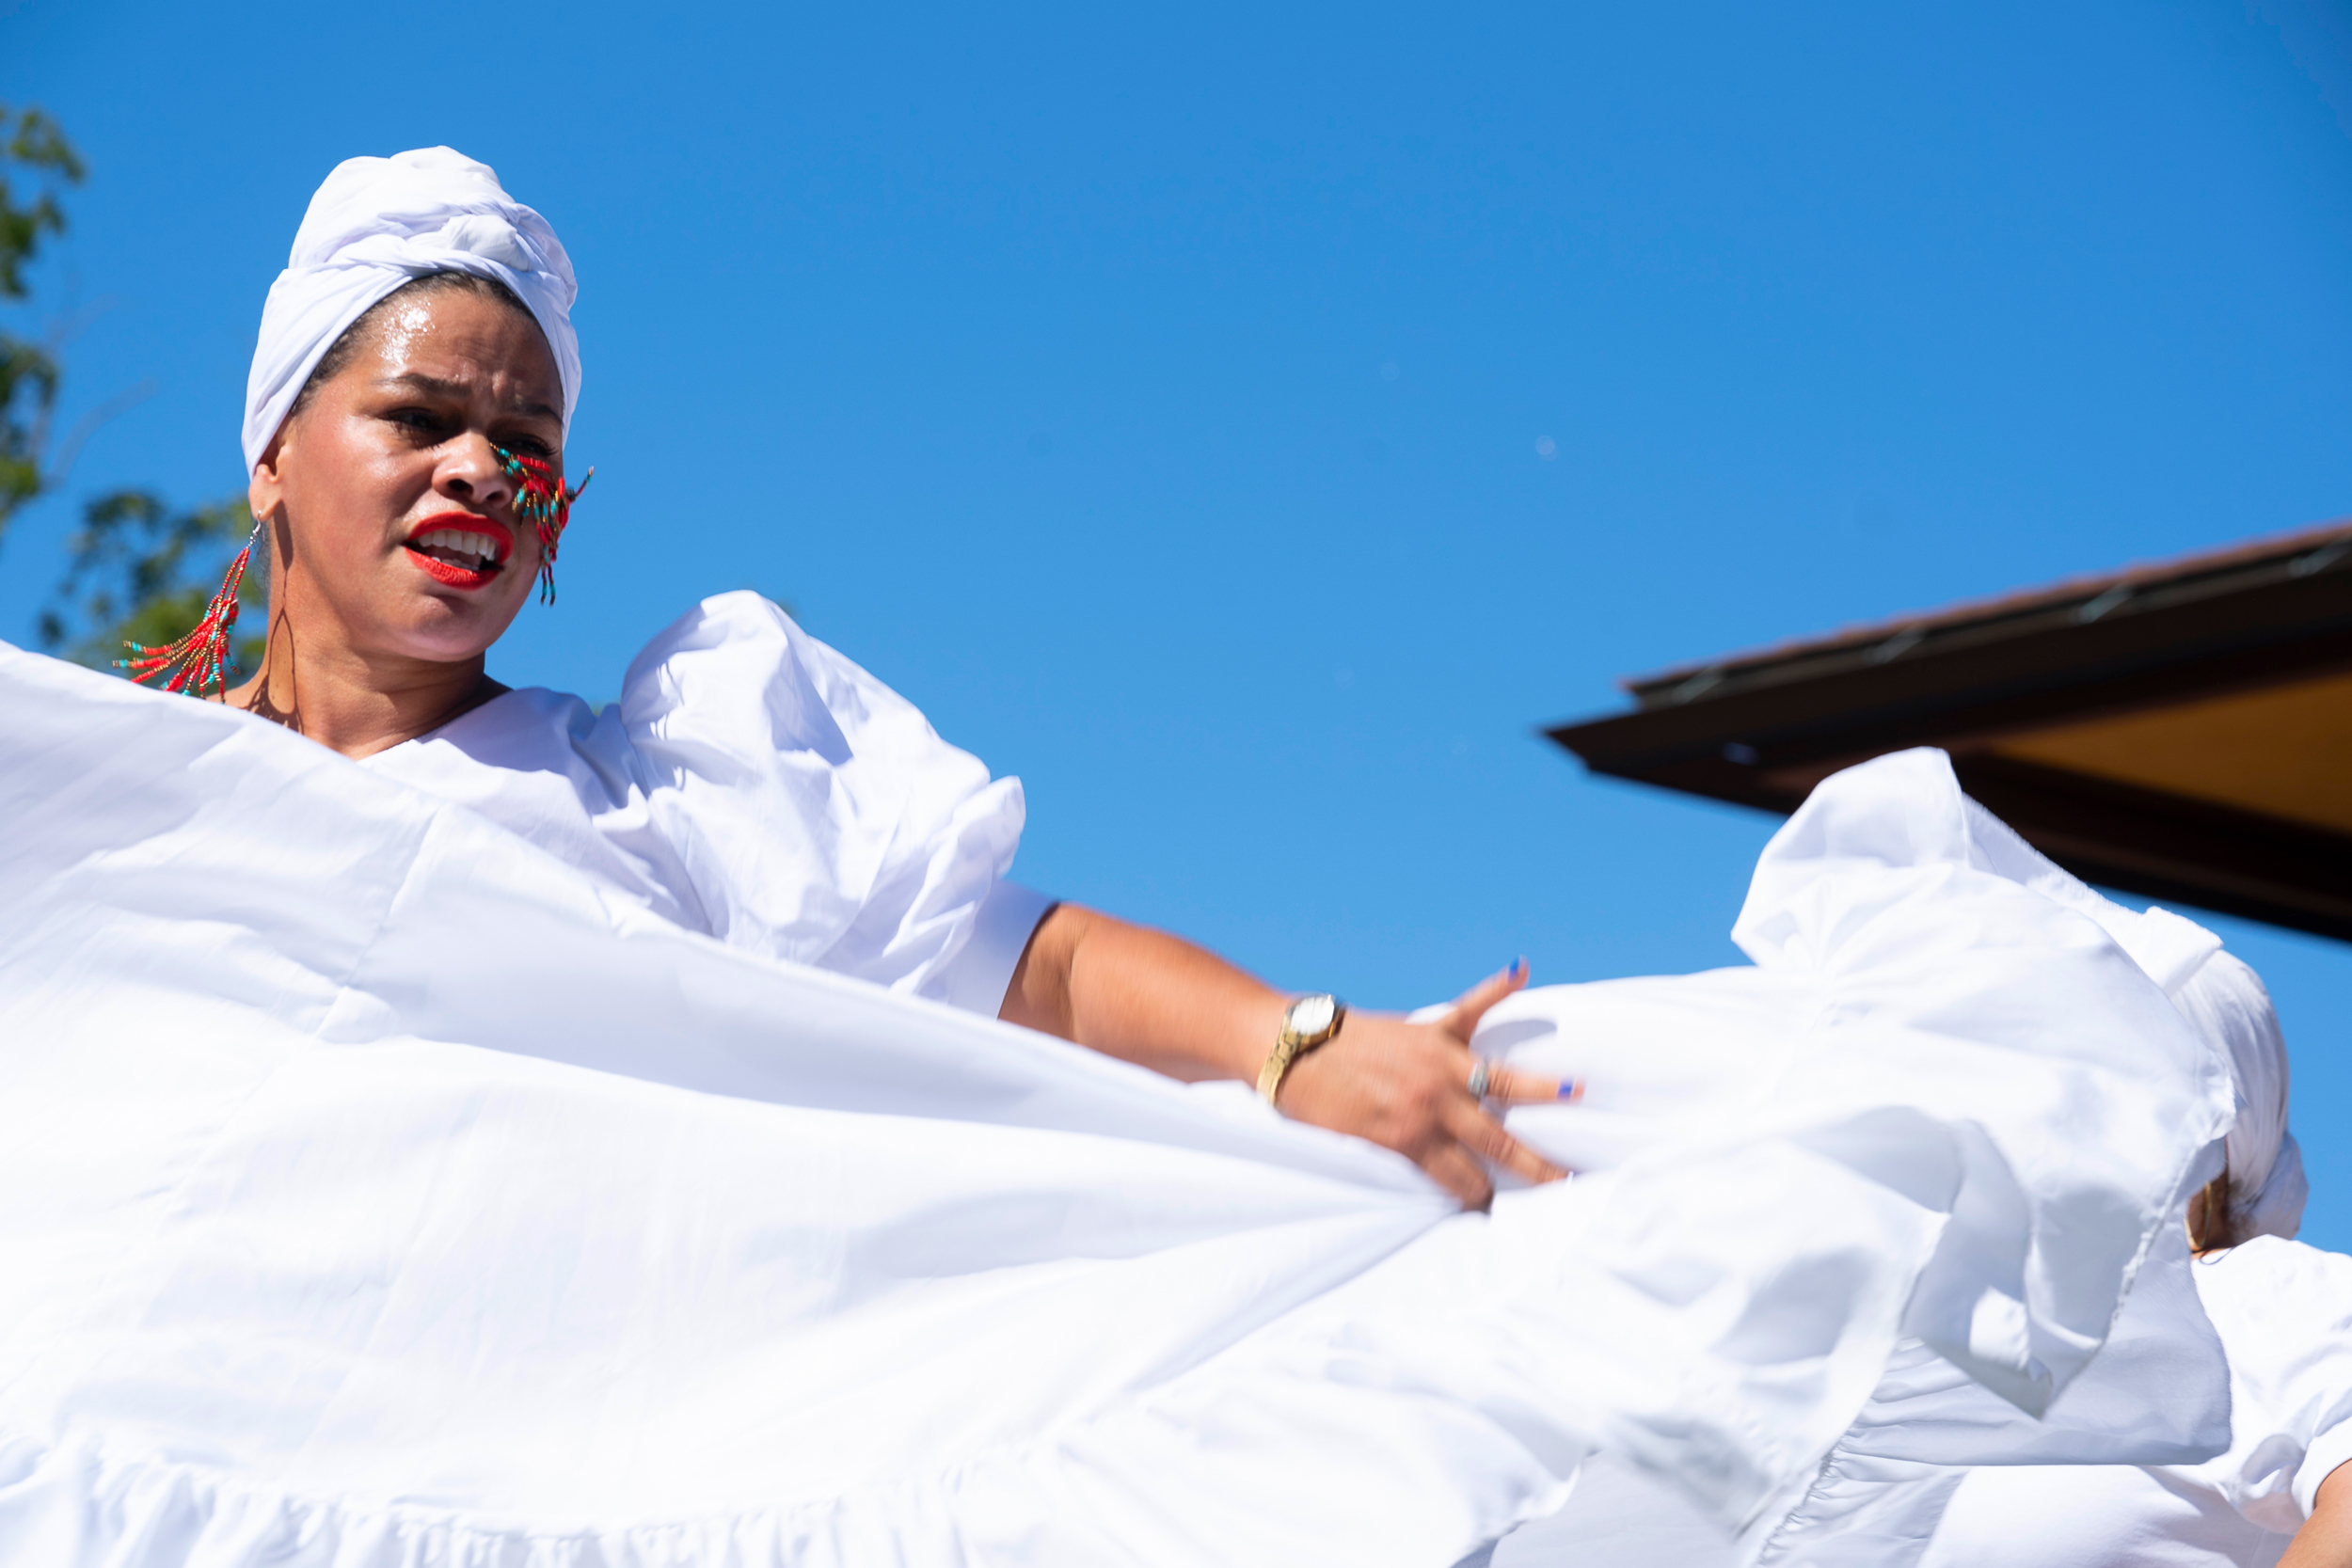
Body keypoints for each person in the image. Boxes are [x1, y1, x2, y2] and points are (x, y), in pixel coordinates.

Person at [0, 149, 2246, 1567]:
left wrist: (1304, 1051)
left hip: (605, 1455)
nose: (482, 467)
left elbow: (1022, 962)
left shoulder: (668, 780)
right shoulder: (101, 814)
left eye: (529, 437)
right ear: (279, 448)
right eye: (422, 415)